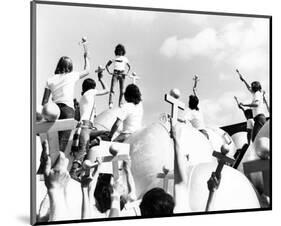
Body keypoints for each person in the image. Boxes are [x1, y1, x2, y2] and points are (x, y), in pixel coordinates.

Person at [41, 46, 90, 152]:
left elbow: (44, 102)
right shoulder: (72, 75)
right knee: (62, 145)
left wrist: (44, 117)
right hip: (67, 110)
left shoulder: (50, 80)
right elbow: (87, 70)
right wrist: (86, 57)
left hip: (54, 111)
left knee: (51, 146)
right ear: (70, 67)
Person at [70, 77, 109, 180]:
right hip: (86, 127)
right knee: (82, 150)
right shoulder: (90, 92)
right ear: (92, 87)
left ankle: (89, 145)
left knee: (104, 134)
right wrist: (101, 78)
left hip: (86, 127)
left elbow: (77, 117)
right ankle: (73, 172)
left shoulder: (82, 99)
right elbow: (107, 90)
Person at [239, 76, 267, 141]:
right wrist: (243, 80)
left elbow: (256, 104)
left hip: (259, 118)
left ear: (254, 88)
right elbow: (248, 88)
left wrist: (244, 104)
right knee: (258, 138)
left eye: (252, 86)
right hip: (259, 118)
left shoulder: (257, 94)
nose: (250, 88)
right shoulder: (257, 93)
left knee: (254, 138)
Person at [106, 44, 131, 108]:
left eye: (121, 51)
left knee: (122, 90)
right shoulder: (114, 58)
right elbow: (107, 65)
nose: (120, 52)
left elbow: (129, 67)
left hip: (122, 74)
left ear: (123, 51)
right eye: (119, 50)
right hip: (115, 73)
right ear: (117, 51)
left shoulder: (125, 58)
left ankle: (120, 103)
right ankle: (110, 102)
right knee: (112, 89)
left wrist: (127, 73)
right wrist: (109, 72)